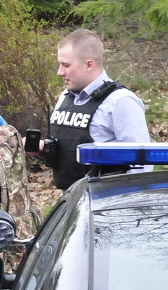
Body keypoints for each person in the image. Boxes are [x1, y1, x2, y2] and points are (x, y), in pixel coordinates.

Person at [46, 28, 150, 189]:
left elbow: (141, 166)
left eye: (66, 65)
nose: (60, 72)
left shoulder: (120, 101)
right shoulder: (65, 97)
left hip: (108, 205)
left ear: (89, 65)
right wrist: (43, 150)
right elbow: (68, 151)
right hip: (73, 202)